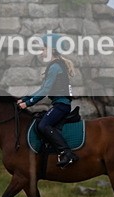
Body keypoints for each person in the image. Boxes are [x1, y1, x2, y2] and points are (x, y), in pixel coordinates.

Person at [17, 34, 78, 168]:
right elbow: (43, 89)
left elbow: (45, 91)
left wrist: (27, 104)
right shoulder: (56, 65)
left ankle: (67, 154)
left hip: (61, 105)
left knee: (43, 125)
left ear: (52, 49)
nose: (41, 52)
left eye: (43, 49)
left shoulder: (55, 67)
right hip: (60, 104)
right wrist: (25, 99)